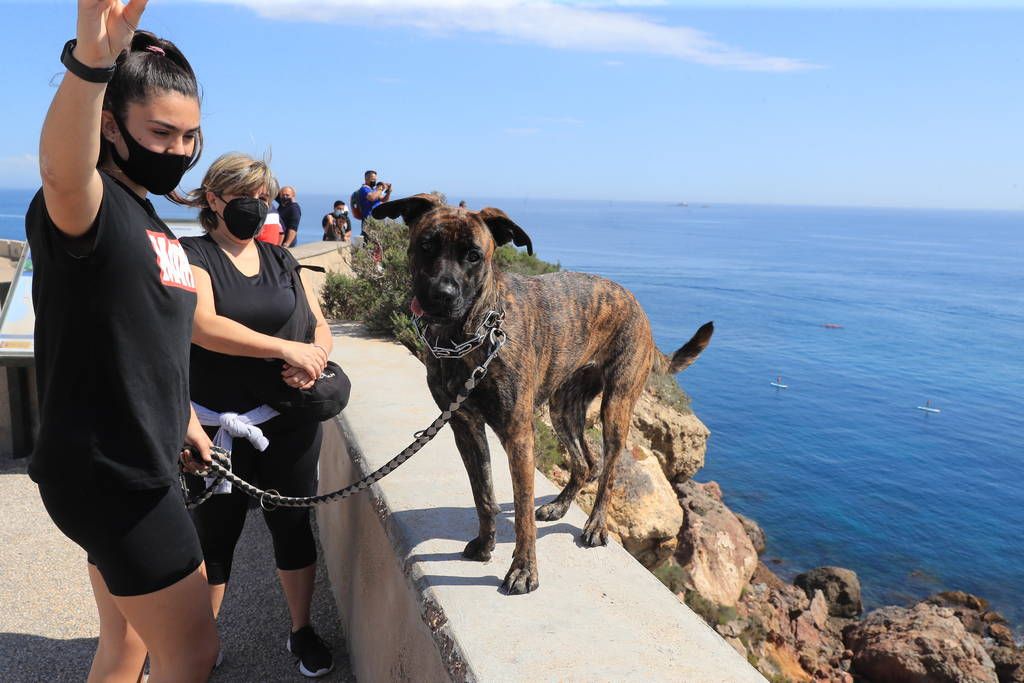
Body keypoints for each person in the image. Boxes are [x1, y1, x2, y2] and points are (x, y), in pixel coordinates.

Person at [24, 4, 220, 681]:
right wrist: (93, 60)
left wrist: (184, 417)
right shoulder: (90, 205)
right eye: (160, 132)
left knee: (128, 644)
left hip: (136, 457)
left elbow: (148, 335)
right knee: (192, 652)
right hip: (114, 473)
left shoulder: (145, 217)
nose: (179, 151)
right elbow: (60, 172)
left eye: (190, 137)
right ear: (110, 124)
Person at [181, 152, 336, 678]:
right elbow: (203, 325)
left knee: (292, 526)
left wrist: (310, 360)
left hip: (287, 422)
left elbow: (317, 324)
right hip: (216, 428)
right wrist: (282, 350)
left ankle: (301, 630)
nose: (257, 208)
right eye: (247, 197)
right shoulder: (193, 254)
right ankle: (202, 643)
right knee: (214, 536)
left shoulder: (281, 259)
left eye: (264, 199)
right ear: (213, 199)